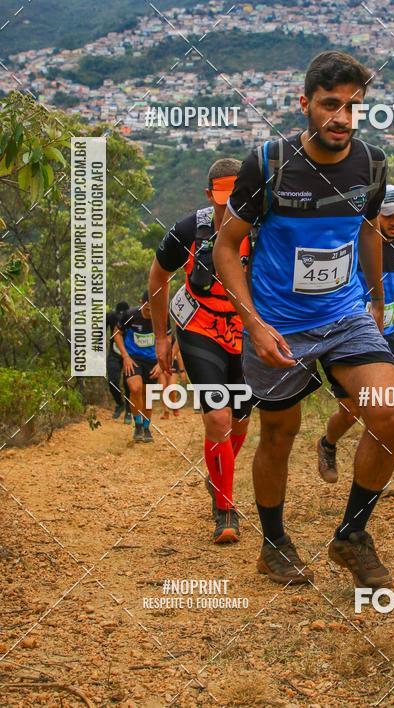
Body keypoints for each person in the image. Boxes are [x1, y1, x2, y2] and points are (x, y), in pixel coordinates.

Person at [214, 50, 394, 587]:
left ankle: (352, 536)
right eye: (330, 104)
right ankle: (274, 544)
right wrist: (254, 323)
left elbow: (367, 227)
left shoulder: (371, 163)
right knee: (279, 433)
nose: (342, 118)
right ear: (305, 104)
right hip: (278, 322)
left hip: (344, 313)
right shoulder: (269, 163)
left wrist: (375, 299)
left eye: (353, 106)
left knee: (390, 415)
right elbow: (226, 246)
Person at [150, 159, 254, 545]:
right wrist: (161, 337)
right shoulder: (189, 229)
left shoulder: (259, 229)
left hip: (244, 330)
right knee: (218, 416)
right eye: (222, 200)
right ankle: (225, 510)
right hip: (199, 326)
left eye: (236, 199)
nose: (229, 208)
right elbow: (158, 276)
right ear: (209, 195)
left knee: (240, 419)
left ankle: (218, 476)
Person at [317, 184, 394, 483]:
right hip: (349, 335)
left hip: (385, 337)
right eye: (388, 215)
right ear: (374, 214)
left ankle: (373, 477)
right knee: (351, 410)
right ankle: (327, 443)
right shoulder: (355, 240)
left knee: (385, 410)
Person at [113, 292, 164, 443]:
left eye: (153, 308)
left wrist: (161, 364)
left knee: (148, 396)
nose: (150, 312)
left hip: (152, 360)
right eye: (147, 309)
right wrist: (125, 356)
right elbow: (117, 333)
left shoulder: (161, 317)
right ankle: (138, 425)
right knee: (135, 389)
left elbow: (167, 340)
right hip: (133, 359)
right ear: (141, 302)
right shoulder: (130, 315)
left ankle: (146, 428)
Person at [106, 300, 131, 422]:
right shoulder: (110, 316)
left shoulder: (133, 316)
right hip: (114, 352)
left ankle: (129, 410)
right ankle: (119, 404)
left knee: (128, 383)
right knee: (112, 380)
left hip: (130, 353)